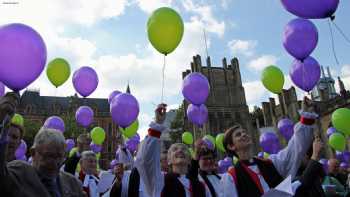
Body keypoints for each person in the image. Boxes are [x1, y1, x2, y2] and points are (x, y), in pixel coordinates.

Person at [221, 97, 317, 197]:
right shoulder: (231, 177)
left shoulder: (269, 163)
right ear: (231, 146)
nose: (244, 134)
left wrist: (307, 116)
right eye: (238, 135)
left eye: (244, 132)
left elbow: (294, 150)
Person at [135, 104, 209, 197]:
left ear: (190, 160)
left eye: (184, 149)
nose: (180, 150)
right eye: (175, 149)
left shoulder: (200, 186)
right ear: (168, 160)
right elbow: (145, 160)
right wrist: (157, 125)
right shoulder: (159, 181)